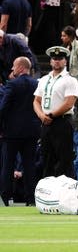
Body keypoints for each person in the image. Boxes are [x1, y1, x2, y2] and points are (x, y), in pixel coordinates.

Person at [32, 46, 78, 178]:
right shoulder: (44, 79)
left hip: (62, 121)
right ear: (50, 61)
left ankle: (64, 191)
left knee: (64, 158)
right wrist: (42, 115)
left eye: (60, 59)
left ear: (65, 61)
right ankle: (48, 191)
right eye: (54, 59)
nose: (56, 61)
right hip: (46, 122)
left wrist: (52, 115)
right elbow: (36, 101)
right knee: (46, 158)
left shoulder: (70, 80)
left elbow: (69, 102)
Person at [0, 57, 39, 206]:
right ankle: (31, 198)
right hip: (32, 131)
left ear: (21, 68)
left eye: (14, 67)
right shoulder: (37, 84)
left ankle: (6, 197)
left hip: (12, 132)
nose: (12, 69)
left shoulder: (12, 85)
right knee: (29, 165)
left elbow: (3, 108)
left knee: (7, 164)